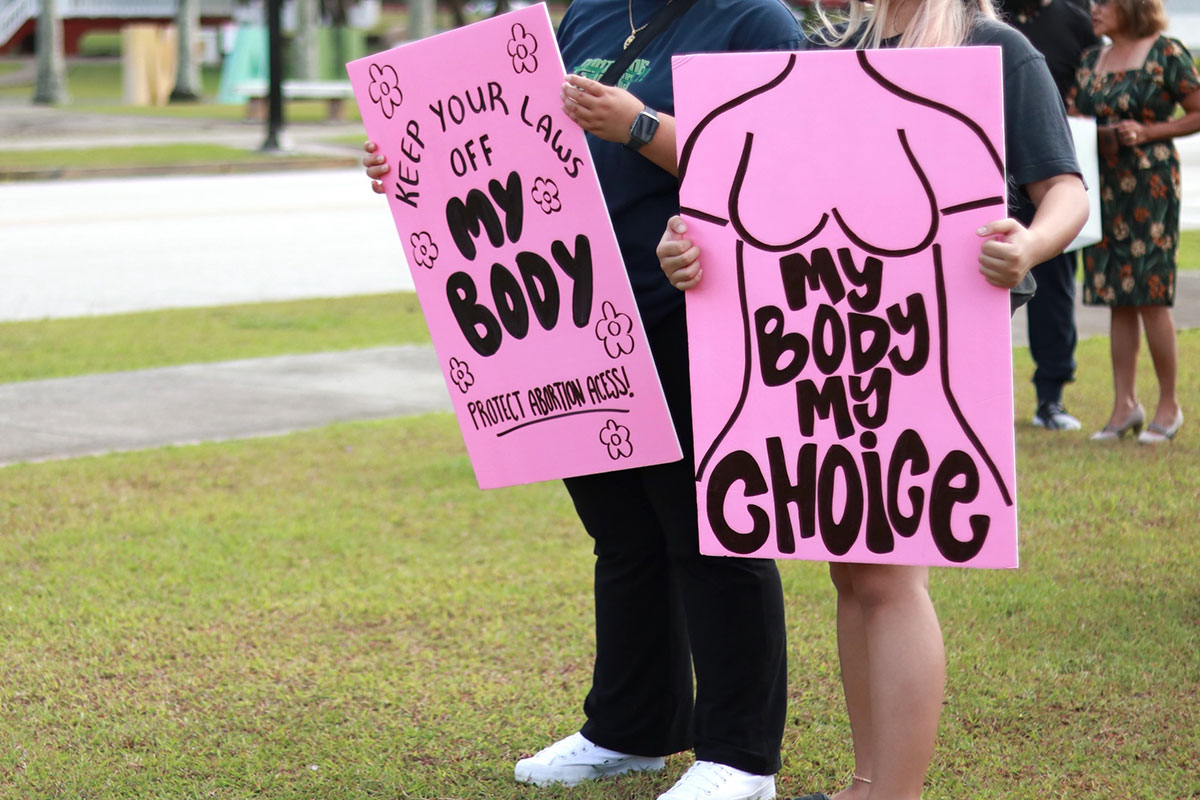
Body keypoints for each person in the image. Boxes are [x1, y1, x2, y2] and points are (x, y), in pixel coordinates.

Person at [363, 2, 805, 798]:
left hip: (693, 312)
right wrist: (413, 168)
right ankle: (631, 730)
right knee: (623, 534)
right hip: (579, 317)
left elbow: (782, 167)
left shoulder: (756, 20)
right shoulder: (594, 15)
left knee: (713, 537)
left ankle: (739, 759)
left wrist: (643, 128)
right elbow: (514, 141)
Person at [656, 0, 1088, 797]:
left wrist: (1028, 241)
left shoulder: (996, 48)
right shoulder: (823, 49)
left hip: (927, 347)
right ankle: (868, 782)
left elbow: (1063, 187)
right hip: (818, 342)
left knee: (890, 577)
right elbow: (750, 188)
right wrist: (687, 242)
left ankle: (893, 792)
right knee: (851, 572)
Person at [1068, 0, 1200, 444]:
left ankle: (1169, 406)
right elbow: (1074, 117)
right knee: (1116, 295)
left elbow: (1197, 112)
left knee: (1150, 292)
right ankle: (1124, 406)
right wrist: (1095, 132)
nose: (1094, 9)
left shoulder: (1167, 53)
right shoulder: (1092, 59)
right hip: (1103, 185)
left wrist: (1147, 133)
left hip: (1151, 186)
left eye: (1104, 2)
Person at [996, 0, 1098, 431]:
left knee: (1054, 288)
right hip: (989, 182)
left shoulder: (1072, 19)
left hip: (1046, 162)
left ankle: (1050, 396)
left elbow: (1096, 78)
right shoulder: (989, 14)